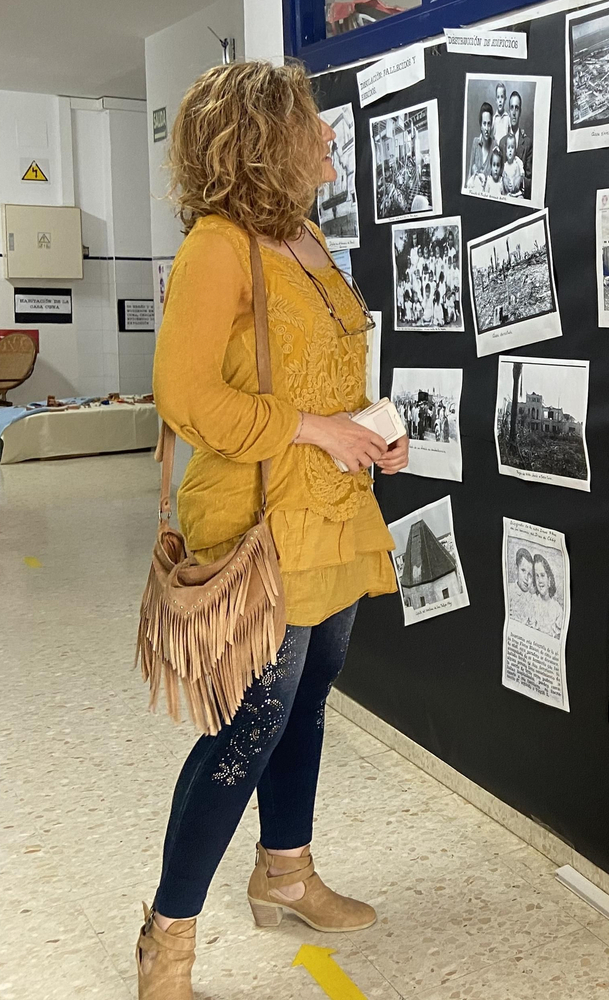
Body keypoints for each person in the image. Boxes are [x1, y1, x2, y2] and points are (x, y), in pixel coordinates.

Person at [138, 61, 409, 1000]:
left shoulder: (305, 238)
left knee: (308, 695)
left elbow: (313, 374)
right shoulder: (216, 247)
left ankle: (285, 875)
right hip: (257, 517)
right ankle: (169, 934)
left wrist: (366, 430)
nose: (330, 137)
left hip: (332, 504)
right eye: (313, 124)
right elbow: (185, 396)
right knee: (248, 723)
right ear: (262, 139)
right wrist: (312, 430)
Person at [469, 102, 495, 189]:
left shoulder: (495, 146)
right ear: (480, 125)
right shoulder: (475, 143)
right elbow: (470, 174)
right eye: (484, 124)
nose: (487, 129)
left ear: (492, 125)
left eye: (489, 124)